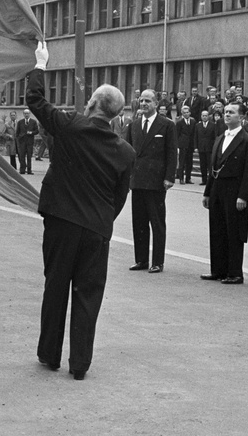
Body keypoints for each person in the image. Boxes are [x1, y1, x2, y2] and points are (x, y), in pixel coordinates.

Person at [28, 44, 135, 380]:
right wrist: (100, 219)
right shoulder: (125, 151)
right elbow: (120, 197)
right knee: (88, 294)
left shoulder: (71, 126)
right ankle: (80, 364)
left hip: (61, 222)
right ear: (117, 115)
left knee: (56, 286)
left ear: (91, 104)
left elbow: (36, 102)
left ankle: (49, 353)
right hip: (96, 229)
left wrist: (40, 65)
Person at [200, 102, 248, 284]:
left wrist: (243, 196)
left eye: (231, 112)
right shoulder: (220, 138)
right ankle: (218, 269)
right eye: (226, 112)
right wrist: (207, 192)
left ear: (241, 117)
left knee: (234, 232)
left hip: (235, 190)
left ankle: (234, 272)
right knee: (217, 229)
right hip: (218, 189)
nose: (227, 115)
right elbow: (214, 168)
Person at [124, 89, 176, 273]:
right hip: (137, 180)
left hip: (156, 181)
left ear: (156, 104)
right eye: (141, 100)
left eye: (148, 101)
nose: (144, 103)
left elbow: (171, 153)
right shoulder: (133, 126)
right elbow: (128, 153)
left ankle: (157, 261)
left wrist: (169, 177)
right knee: (139, 221)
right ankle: (141, 260)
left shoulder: (167, 125)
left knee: (157, 222)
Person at [174, 103, 197, 184]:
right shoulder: (179, 122)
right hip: (182, 145)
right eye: (184, 113)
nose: (186, 114)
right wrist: (177, 146)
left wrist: (194, 145)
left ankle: (188, 178)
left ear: (190, 113)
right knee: (182, 162)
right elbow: (177, 134)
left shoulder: (193, 121)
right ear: (182, 114)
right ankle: (181, 178)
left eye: (187, 112)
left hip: (190, 145)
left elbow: (194, 133)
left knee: (189, 162)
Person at [16, 109, 39, 175]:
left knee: (29, 156)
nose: (26, 115)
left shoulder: (33, 122)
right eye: (25, 113)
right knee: (22, 156)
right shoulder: (20, 122)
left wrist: (31, 132)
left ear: (30, 114)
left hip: (29, 142)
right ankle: (22, 170)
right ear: (23, 114)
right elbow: (17, 132)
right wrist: (18, 139)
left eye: (27, 113)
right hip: (22, 142)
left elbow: (37, 131)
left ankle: (29, 170)